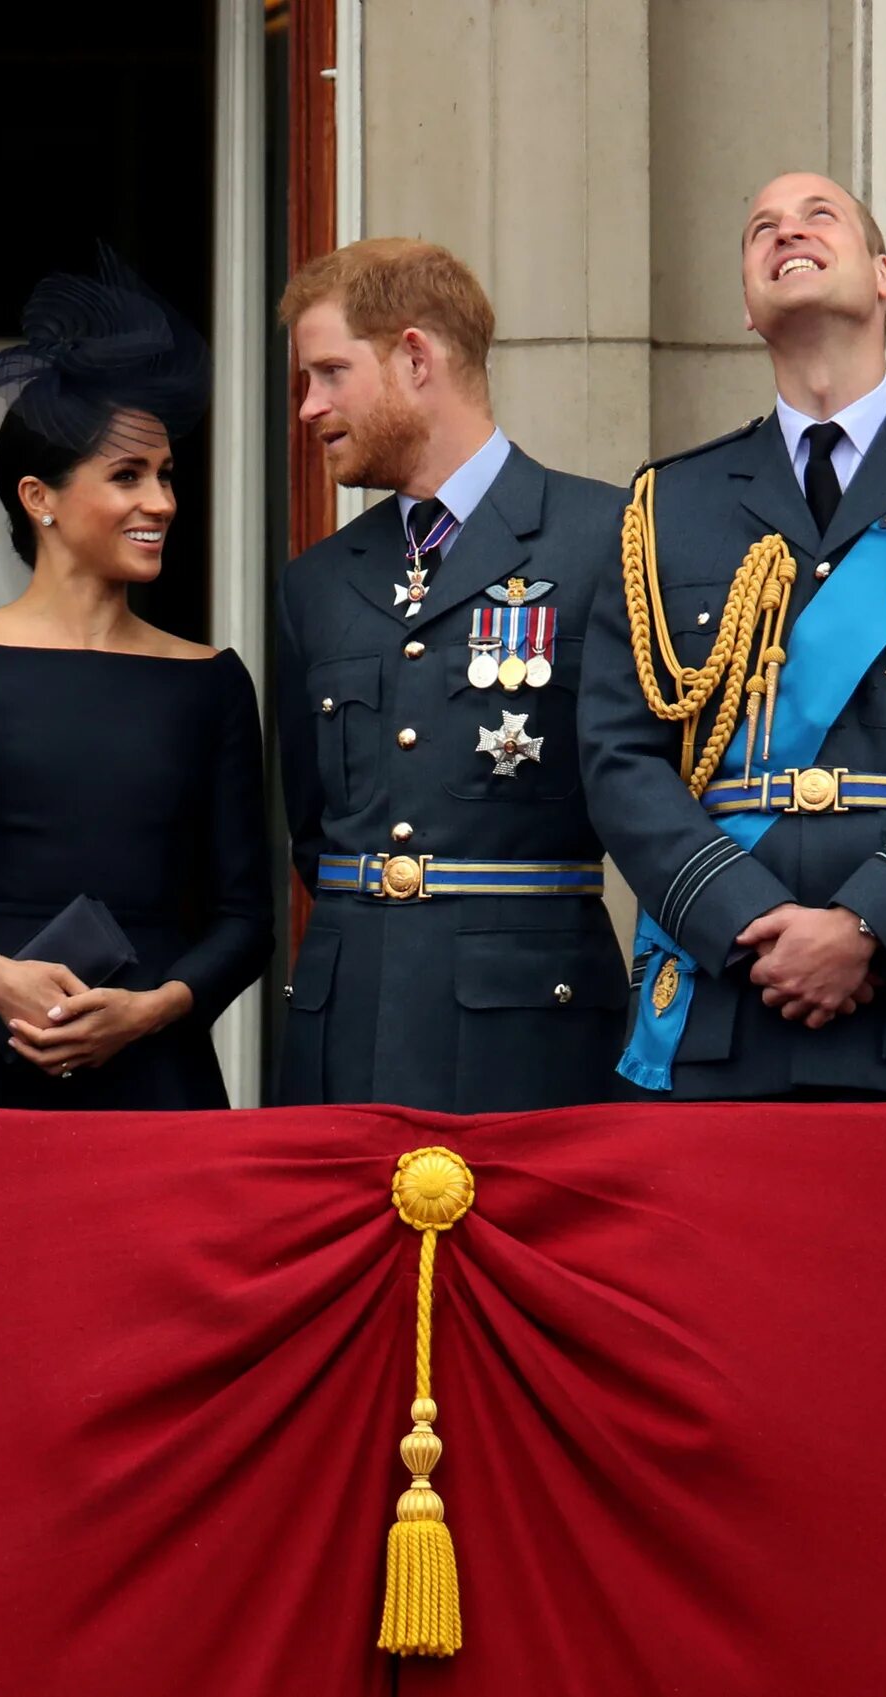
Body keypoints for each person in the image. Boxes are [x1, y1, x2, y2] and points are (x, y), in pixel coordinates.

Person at [580, 172, 886, 1101]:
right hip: (724, 1006)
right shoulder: (665, 506)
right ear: (746, 303)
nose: (787, 232)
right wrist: (748, 919)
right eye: (759, 226)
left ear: (883, 274)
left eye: (820, 217)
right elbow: (618, 756)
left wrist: (866, 928)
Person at [0, 255, 269, 1109]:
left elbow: (246, 921)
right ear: (40, 497)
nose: (162, 502)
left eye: (166, 475)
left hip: (152, 1072)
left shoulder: (210, 682)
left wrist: (154, 1009)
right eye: (127, 475)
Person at [272, 238, 629, 1112]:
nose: (310, 407)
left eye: (328, 372)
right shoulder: (316, 581)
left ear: (415, 356)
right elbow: (313, 829)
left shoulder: (603, 537)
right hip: (345, 1020)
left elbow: (652, 794)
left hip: (529, 1028)